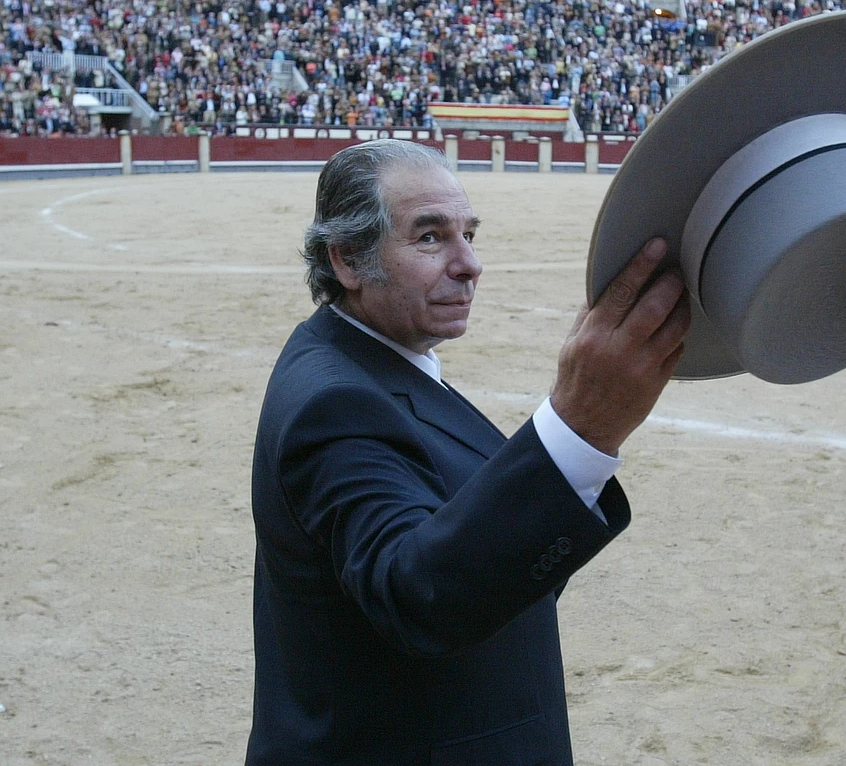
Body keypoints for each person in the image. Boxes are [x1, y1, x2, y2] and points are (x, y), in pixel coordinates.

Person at [248, 140, 690, 764]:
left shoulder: (376, 360)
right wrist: (579, 428)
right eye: (430, 238)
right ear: (348, 260)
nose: (469, 264)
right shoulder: (335, 403)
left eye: (469, 234)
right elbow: (419, 593)